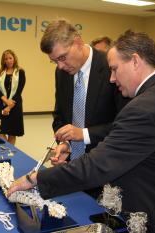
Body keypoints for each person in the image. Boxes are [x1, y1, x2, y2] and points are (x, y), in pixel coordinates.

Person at [8, 30, 155, 233]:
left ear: (134, 61)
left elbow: (98, 164)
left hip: (152, 216)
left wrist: (34, 179)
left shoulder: (144, 108)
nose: (112, 79)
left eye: (115, 69)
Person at [40, 19, 127, 164]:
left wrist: (83, 134)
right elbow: (59, 115)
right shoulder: (61, 72)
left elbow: (124, 124)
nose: (60, 66)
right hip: (72, 164)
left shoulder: (110, 67)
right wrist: (66, 143)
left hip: (104, 163)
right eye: (55, 61)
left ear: (78, 43)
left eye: (62, 57)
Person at [0, 49, 25, 145]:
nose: (8, 60)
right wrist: (6, 102)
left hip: (15, 104)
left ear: (14, 59)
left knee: (12, 132)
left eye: (10, 58)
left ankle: (9, 152)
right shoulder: (0, 73)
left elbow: (19, 90)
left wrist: (9, 106)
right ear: (3, 61)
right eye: (6, 59)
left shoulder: (20, 72)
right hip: (1, 104)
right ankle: (8, 148)